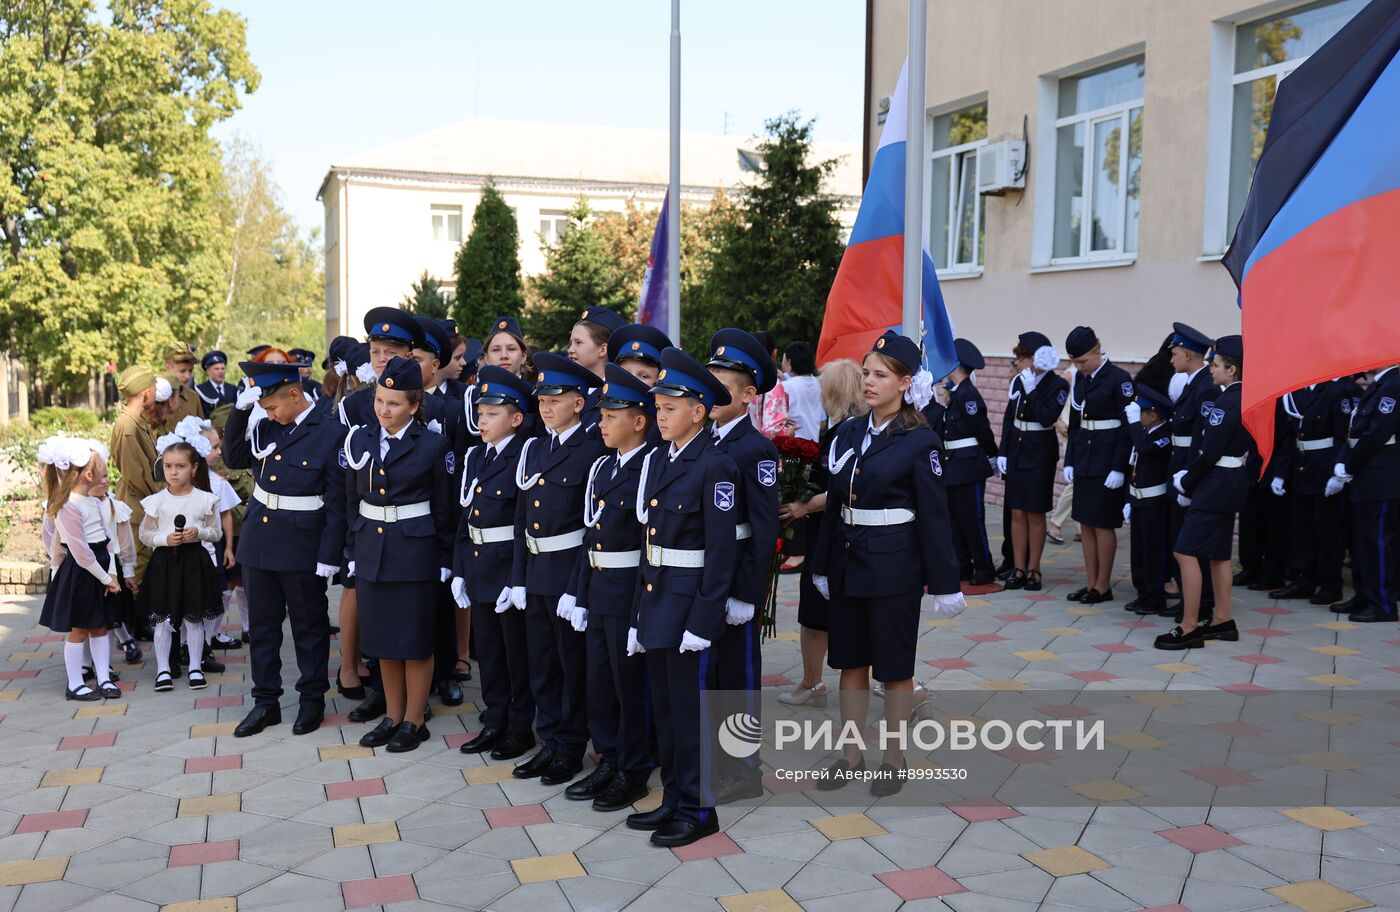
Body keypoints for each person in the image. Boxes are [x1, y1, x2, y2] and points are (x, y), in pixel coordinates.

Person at [810, 331, 963, 794]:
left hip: (895, 566)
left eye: (880, 375)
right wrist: (820, 564)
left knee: (895, 668)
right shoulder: (851, 431)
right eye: (866, 374)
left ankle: (893, 758)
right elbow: (836, 503)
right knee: (851, 663)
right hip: (849, 561)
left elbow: (936, 516)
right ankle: (850, 753)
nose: (869, 383)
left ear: (904, 382)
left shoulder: (921, 441)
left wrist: (945, 583)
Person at [624, 347, 739, 847]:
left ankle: (699, 809)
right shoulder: (665, 459)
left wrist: (703, 620)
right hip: (658, 601)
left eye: (669, 408)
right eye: (658, 406)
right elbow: (651, 546)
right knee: (667, 712)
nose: (658, 415)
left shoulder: (715, 466)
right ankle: (674, 797)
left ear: (698, 411)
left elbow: (720, 555)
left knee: (691, 713)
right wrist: (638, 615)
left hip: (689, 606)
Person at [224, 357, 347, 737]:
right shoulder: (264, 426)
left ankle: (312, 700)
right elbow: (233, 457)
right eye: (263, 408)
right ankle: (266, 703)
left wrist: (329, 556)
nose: (270, 414)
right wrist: (241, 413)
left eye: (273, 406)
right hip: (260, 542)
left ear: (295, 394)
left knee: (309, 629)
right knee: (262, 628)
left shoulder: (329, 433)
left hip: (303, 546)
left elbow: (338, 502)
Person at [342, 357, 454, 752]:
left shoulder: (433, 445)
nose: (383, 410)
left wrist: (444, 560)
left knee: (415, 639)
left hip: (415, 551)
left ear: (414, 406)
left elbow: (444, 509)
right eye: (379, 400)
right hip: (372, 548)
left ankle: (415, 719)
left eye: (393, 403)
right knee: (383, 639)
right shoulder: (360, 439)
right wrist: (352, 551)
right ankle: (392, 714)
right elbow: (353, 499)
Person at [510, 353, 608, 786]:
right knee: (542, 663)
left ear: (579, 403)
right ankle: (549, 740)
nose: (546, 407)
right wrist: (517, 577)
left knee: (572, 666)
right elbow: (520, 520)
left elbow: (591, 528)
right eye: (542, 399)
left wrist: (579, 588)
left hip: (569, 570)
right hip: (536, 569)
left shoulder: (592, 450)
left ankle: (570, 744)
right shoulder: (534, 447)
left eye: (556, 399)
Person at [563, 363, 657, 811]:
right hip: (600, 587)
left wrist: (642, 608)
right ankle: (609, 756)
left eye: (609, 417)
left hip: (628, 591)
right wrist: (579, 593)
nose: (599, 424)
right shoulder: (603, 467)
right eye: (600, 416)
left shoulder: (650, 469)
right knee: (600, 682)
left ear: (638, 422)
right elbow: (590, 536)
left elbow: (647, 546)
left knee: (628, 686)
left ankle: (633, 769)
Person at [705, 328, 781, 804]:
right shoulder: (705, 439)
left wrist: (746, 596)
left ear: (749, 395)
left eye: (723, 386)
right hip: (705, 577)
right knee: (711, 674)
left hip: (735, 582)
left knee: (737, 676)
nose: (712, 394)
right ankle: (718, 759)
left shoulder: (755, 450)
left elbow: (763, 529)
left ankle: (745, 769)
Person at [452, 366, 537, 761]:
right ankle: (495, 717)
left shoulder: (525, 455)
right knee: (487, 648)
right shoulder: (476, 456)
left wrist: (517, 577)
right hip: (479, 564)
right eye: (481, 413)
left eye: (493, 414)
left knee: (514, 653)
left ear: (516, 419)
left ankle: (520, 727)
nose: (482, 420)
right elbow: (464, 518)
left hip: (507, 568)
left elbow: (524, 524)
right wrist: (458, 569)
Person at [778, 358, 867, 707]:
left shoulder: (848, 431)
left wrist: (802, 506)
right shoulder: (844, 427)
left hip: (833, 534)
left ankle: (815, 683)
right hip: (829, 534)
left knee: (822, 612)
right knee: (817, 612)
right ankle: (813, 682)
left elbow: (843, 488)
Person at [1157, 335, 1250, 649]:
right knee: (1219, 555)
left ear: (1233, 370)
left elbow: (1209, 452)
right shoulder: (1242, 397)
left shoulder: (1227, 402)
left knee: (1185, 551)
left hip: (1215, 484)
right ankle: (1223, 619)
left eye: (1217, 364)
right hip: (1230, 481)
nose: (1211, 369)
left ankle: (1189, 626)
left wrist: (1188, 482)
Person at [37, 438, 125, 701]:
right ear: (89, 474)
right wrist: (105, 577)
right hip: (82, 572)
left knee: (100, 626)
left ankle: (104, 678)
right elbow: (78, 551)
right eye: (101, 466)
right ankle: (75, 683)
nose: (104, 471)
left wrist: (113, 572)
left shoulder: (94, 501)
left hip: (98, 566)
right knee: (79, 630)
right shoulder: (67, 506)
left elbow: (106, 542)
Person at [138, 432, 223, 691]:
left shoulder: (205, 499)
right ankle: (163, 669)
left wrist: (199, 533)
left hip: (194, 562)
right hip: (165, 563)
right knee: (164, 618)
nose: (173, 472)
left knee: (193, 617)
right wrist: (164, 539)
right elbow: (145, 534)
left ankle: (195, 667)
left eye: (180, 466)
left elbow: (216, 532)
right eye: (168, 466)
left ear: (194, 468)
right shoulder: (156, 501)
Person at [1063, 327, 1135, 604]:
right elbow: (1076, 423)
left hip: (1107, 461)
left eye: (1083, 361)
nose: (1080, 368)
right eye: (1076, 363)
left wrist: (1119, 467)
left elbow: (1127, 428)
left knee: (1103, 524)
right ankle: (1091, 582)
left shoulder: (1119, 379)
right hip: (1084, 458)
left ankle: (1103, 585)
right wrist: (1070, 459)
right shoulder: (1081, 381)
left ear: (1096, 351)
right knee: (1086, 523)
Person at [1271, 379, 1354, 605]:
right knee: (1300, 529)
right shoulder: (1299, 391)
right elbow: (1292, 437)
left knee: (1327, 531)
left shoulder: (1337, 391)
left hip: (1325, 469)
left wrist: (1339, 472)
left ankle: (1330, 584)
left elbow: (1343, 436)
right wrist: (1280, 473)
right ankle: (1302, 580)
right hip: (1301, 468)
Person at [1328, 362, 1400, 622]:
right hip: (1367, 474)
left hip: (1382, 475)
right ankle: (1365, 595)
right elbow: (1355, 431)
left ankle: (1382, 604)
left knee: (1377, 542)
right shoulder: (1379, 384)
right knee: (1362, 541)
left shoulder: (1393, 384)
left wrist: (1349, 464)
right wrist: (1344, 461)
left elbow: (1377, 434)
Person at [998, 332, 1069, 591]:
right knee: (1016, 511)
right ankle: (1018, 567)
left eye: (1023, 357)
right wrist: (1002, 451)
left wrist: (1033, 390)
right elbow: (1009, 417)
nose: (1019, 362)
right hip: (1017, 449)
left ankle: (1034, 569)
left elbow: (1046, 417)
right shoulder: (1019, 381)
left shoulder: (1058, 385)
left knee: (1035, 513)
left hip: (1040, 453)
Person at [1166, 323, 1218, 623]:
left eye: (1175, 354)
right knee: (1179, 537)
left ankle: (1202, 603)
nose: (1171, 360)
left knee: (1193, 543)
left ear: (1188, 354)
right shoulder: (1191, 384)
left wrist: (1189, 480)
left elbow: (1203, 439)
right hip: (1179, 465)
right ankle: (1188, 598)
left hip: (1189, 470)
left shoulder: (1206, 388)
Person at [938, 338, 999, 586]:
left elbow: (981, 429)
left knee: (972, 520)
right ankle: (963, 565)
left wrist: (992, 455)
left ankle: (984, 567)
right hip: (954, 465)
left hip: (970, 466)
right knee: (956, 520)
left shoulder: (968, 394)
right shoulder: (957, 393)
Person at [110, 366, 164, 595]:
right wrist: (161, 495)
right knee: (138, 565)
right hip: (138, 502)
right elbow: (136, 474)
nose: (154, 392)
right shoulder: (129, 426)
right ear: (145, 392)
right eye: (153, 387)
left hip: (142, 500)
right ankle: (133, 622)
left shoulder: (135, 421)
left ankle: (139, 620)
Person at [1125, 386, 1175, 617]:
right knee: (1139, 551)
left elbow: (1144, 448)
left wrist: (1134, 424)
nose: (1139, 417)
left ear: (1153, 415)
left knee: (1153, 551)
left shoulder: (1165, 435)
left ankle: (1155, 597)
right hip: (1139, 500)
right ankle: (1142, 592)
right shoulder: (1146, 431)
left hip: (1155, 502)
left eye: (1142, 413)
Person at [209, 404, 254, 645]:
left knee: (246, 582)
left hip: (249, 528)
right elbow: (221, 501)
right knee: (227, 582)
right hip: (231, 530)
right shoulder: (217, 462)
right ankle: (215, 631)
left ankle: (248, 627)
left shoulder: (250, 449)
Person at [568, 306, 626, 432]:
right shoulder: (570, 390)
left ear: (602, 349)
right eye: (571, 343)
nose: (570, 350)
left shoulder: (615, 396)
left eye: (578, 343)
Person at [748, 330, 789, 438]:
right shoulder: (772, 383)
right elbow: (771, 429)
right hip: (760, 450)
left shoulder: (741, 380)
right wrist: (788, 432)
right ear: (774, 353)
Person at [781, 342, 823, 442]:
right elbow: (822, 422)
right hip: (813, 443)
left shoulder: (786, 386)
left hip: (793, 444)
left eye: (783, 359)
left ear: (789, 362)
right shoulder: (817, 383)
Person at [159, 344, 204, 432]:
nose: (187, 376)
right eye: (182, 371)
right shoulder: (155, 397)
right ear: (168, 367)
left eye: (190, 371)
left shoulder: (193, 397)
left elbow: (201, 429)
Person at [196, 351, 237, 417]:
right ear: (208, 371)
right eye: (216, 369)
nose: (220, 372)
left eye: (222, 368)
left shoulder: (233, 389)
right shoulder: (200, 390)